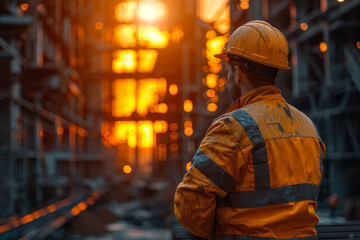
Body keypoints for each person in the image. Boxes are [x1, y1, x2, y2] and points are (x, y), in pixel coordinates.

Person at [174, 20, 326, 240]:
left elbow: (190, 205)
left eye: (227, 70)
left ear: (236, 72)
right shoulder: (308, 126)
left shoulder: (234, 127)